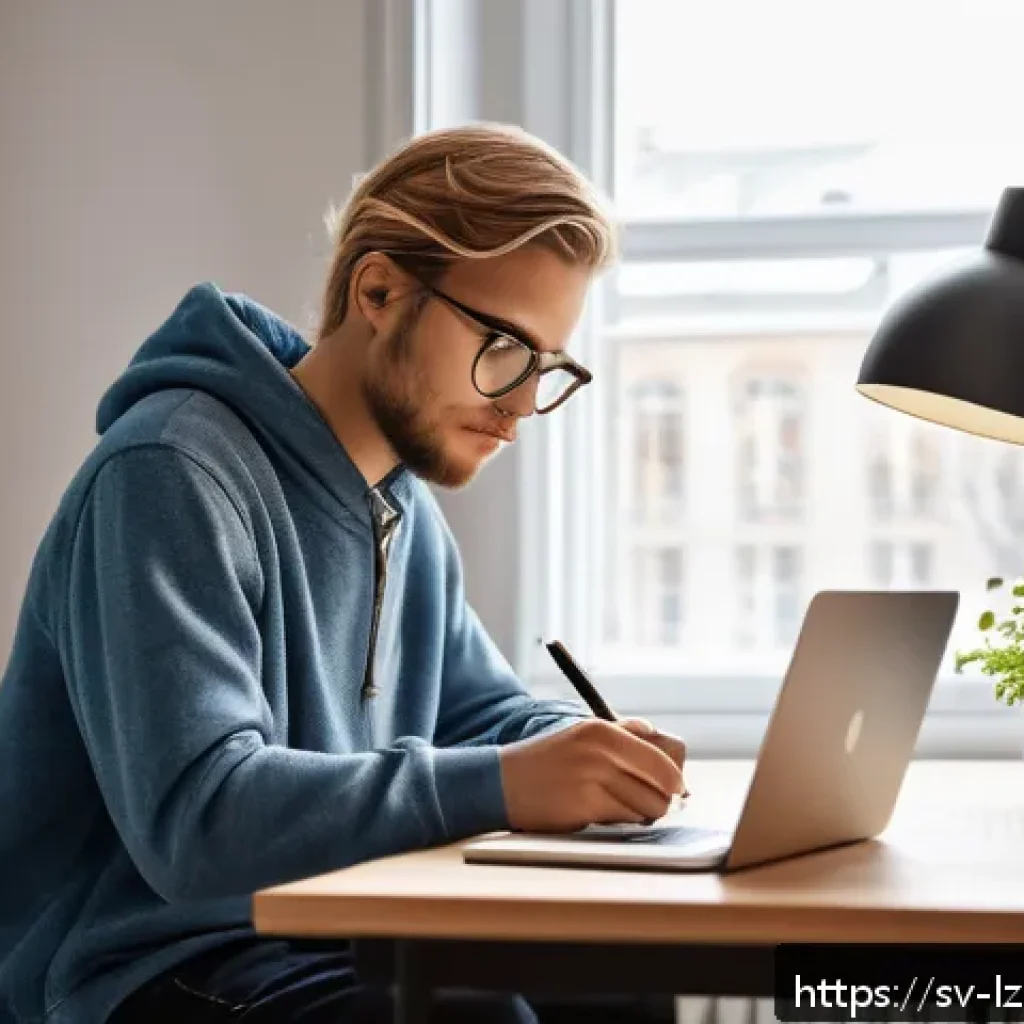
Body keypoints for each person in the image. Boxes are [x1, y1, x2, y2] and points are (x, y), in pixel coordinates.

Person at [0, 123, 687, 1023]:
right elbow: (199, 822)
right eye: (505, 347)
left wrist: (587, 749)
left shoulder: (400, 506)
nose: (522, 403)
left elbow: (479, 711)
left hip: (328, 934)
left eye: (548, 366)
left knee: (623, 988)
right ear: (378, 289)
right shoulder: (169, 474)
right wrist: (510, 782)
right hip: (147, 970)